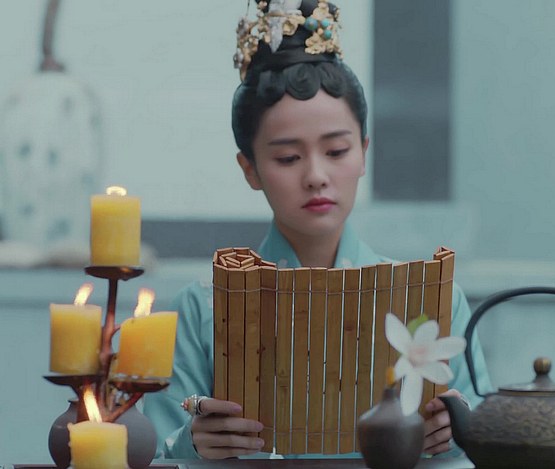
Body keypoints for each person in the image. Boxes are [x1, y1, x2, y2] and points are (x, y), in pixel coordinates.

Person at [142, 0, 492, 460]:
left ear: (363, 153)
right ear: (250, 169)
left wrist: (450, 436)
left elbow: (484, 450)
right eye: (288, 157)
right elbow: (155, 453)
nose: (315, 176)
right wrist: (192, 443)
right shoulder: (203, 308)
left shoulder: (434, 300)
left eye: (336, 151)